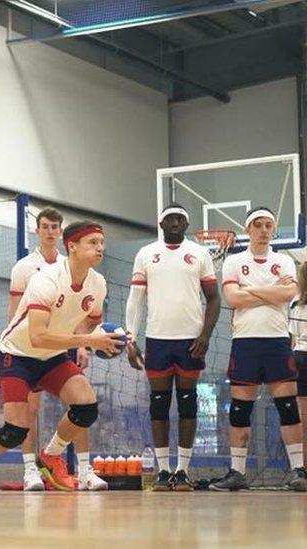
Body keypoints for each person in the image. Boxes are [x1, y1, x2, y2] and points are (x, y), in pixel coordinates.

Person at [0, 221, 123, 494]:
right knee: (15, 431)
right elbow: (38, 336)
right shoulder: (46, 280)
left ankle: (51, 456)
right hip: (18, 354)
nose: (100, 248)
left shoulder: (98, 284)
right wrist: (88, 340)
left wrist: (104, 341)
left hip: (53, 356)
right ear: (72, 246)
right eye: (93, 243)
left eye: (101, 242)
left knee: (86, 407)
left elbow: (90, 324)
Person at [124, 204, 220, 491]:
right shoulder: (146, 254)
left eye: (180, 219)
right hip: (157, 340)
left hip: (191, 341)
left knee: (189, 403)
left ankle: (183, 471)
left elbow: (214, 298)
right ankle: (164, 470)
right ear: (161, 223)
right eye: (170, 218)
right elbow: (135, 300)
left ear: (186, 224)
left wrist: (205, 335)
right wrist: (130, 340)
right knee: (159, 405)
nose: (175, 222)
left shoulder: (200, 254)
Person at [7, 207, 104, 491]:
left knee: (81, 401)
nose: (50, 231)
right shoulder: (24, 268)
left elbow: (85, 313)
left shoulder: (75, 265)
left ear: (62, 234)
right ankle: (30, 471)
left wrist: (84, 342)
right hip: (30, 345)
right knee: (30, 407)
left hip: (66, 343)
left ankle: (84, 469)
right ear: (37, 230)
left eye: (55, 227)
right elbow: (14, 313)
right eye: (45, 226)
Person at [211, 207, 306, 491]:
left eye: (268, 225)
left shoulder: (284, 261)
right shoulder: (234, 262)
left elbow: (288, 293)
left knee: (288, 409)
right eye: (258, 225)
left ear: (273, 229)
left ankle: (299, 471)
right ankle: (237, 472)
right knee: (240, 409)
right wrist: (269, 292)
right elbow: (232, 298)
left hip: (277, 341)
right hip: (245, 341)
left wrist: (249, 290)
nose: (264, 230)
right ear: (248, 228)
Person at [290, 261, 307, 464]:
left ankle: (302, 469)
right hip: (301, 357)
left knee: (303, 420)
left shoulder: (296, 302)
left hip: (300, 358)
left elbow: (292, 337)